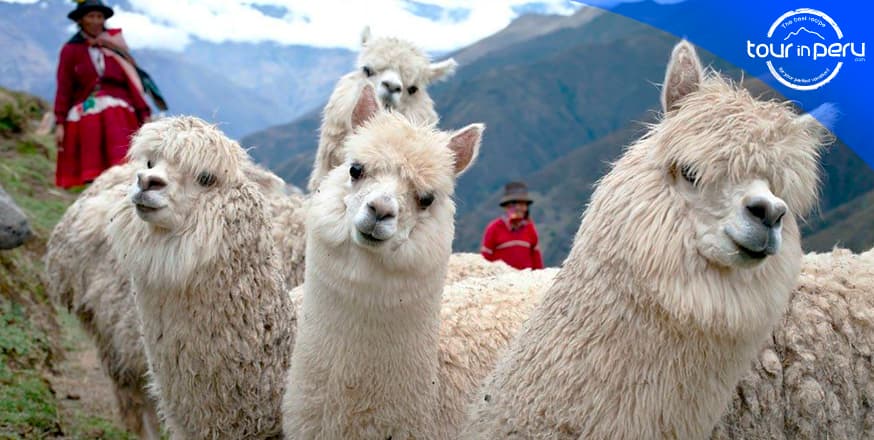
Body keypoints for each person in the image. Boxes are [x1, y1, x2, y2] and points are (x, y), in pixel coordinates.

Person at [53, 0, 166, 189]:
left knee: (115, 119)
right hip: (86, 106)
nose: (96, 21)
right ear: (81, 20)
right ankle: (94, 184)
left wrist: (144, 112)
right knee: (90, 120)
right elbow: (64, 87)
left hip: (120, 107)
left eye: (99, 16)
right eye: (91, 16)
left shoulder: (115, 47)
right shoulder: (70, 50)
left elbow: (131, 80)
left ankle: (123, 182)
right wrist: (59, 122)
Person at [480, 181, 544, 270]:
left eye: (522, 205)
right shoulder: (494, 228)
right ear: (506, 207)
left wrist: (539, 277)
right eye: (514, 205)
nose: (519, 208)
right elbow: (485, 259)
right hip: (500, 279)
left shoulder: (530, 228)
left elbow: (536, 258)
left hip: (526, 280)